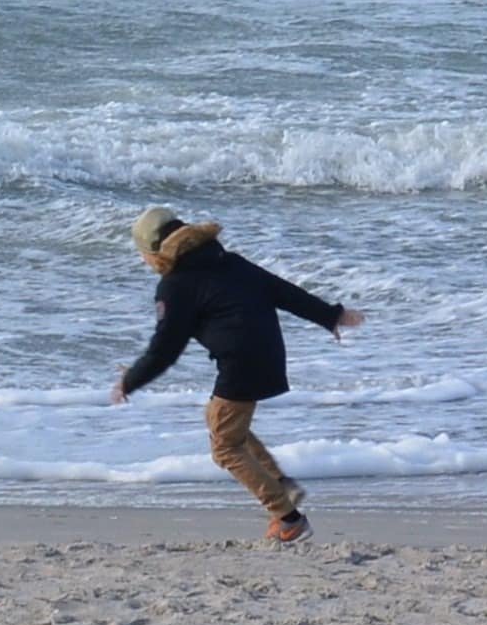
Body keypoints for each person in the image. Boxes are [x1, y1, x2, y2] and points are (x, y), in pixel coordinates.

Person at [113, 205, 362, 545]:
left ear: (156, 254)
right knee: (221, 421)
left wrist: (131, 380)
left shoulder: (175, 286)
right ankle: (282, 485)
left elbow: (165, 348)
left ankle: (288, 518)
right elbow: (283, 291)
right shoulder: (230, 263)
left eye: (143, 255)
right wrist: (330, 316)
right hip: (269, 355)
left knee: (225, 448)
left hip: (240, 363)